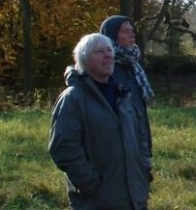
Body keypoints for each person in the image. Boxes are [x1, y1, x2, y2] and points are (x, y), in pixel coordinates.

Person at [49, 33, 151, 209]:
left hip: (134, 198)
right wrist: (90, 184)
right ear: (84, 59)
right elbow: (63, 148)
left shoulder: (123, 94)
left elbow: (140, 136)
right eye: (100, 51)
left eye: (110, 50)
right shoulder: (73, 98)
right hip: (97, 201)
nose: (108, 55)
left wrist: (144, 169)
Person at [100, 15, 154, 176]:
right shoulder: (105, 69)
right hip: (115, 148)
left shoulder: (133, 66)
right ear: (111, 35)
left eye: (132, 31)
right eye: (125, 31)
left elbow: (139, 110)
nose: (132, 35)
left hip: (138, 140)